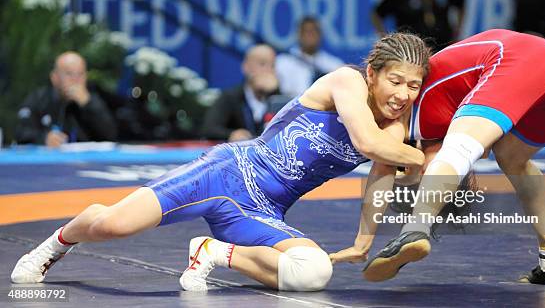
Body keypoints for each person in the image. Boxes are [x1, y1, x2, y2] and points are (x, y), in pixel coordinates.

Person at [11, 32, 432, 292]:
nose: (404, 95)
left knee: (315, 272)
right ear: (373, 73)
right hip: (227, 171)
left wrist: (363, 241)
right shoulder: (346, 81)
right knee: (112, 225)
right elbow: (367, 143)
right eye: (396, 81)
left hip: (262, 210)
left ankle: (212, 252)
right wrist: (424, 156)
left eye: (414, 86)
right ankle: (57, 242)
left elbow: (379, 181)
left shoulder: (394, 131)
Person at [335, 29, 545, 287]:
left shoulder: (405, 117)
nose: (402, 96)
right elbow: (471, 151)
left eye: (407, 85)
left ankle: (414, 229)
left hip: (519, 60)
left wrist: (362, 243)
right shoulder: (430, 102)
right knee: (514, 161)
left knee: (459, 149)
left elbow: (383, 164)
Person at [14, 51, 117, 147]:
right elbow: (21, 133)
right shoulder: (39, 99)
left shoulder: (93, 100)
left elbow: (111, 134)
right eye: (69, 74)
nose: (75, 80)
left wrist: (88, 104)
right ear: (54, 78)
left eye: (80, 74)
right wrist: (44, 139)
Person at [202, 44, 281, 142]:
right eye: (262, 64)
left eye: (272, 66)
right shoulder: (231, 97)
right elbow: (209, 129)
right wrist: (231, 134)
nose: (268, 70)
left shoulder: (279, 99)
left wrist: (276, 91)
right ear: (246, 67)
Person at [275, 16, 344, 98]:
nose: (310, 35)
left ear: (320, 35)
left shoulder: (334, 65)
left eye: (314, 31)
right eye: (306, 31)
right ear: (298, 34)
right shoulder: (282, 62)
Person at [371, 0, 464, 51]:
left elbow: (460, 5)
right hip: (410, 51)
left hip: (442, 47)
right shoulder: (398, 1)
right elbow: (376, 14)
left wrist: (457, 31)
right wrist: (385, 38)